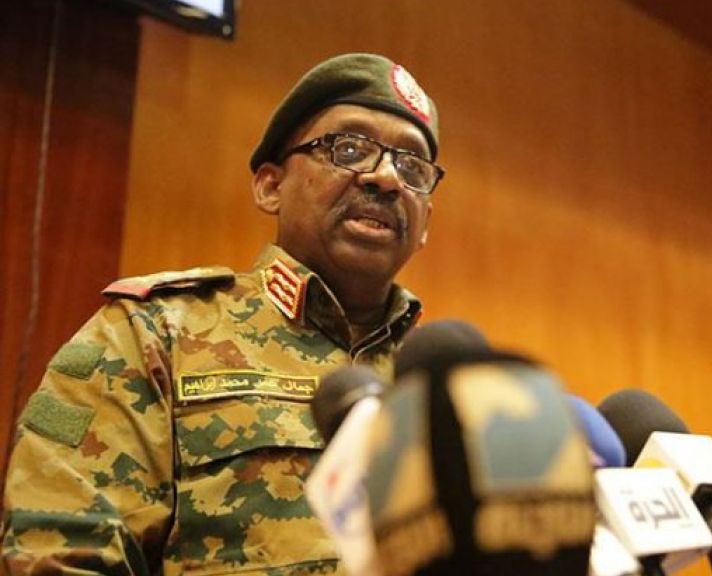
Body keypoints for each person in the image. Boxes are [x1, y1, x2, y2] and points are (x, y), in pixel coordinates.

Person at [1, 52, 443, 575]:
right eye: (349, 148)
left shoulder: (445, 382)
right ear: (271, 186)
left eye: (413, 167)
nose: (387, 178)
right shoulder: (152, 334)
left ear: (425, 223)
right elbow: (55, 558)